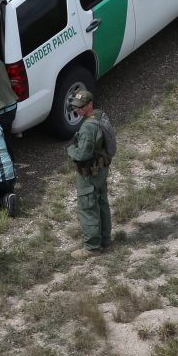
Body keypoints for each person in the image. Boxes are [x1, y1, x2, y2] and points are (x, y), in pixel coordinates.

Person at [66, 90, 114, 260]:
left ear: (90, 105)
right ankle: (106, 240)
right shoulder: (100, 116)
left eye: (81, 107)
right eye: (76, 107)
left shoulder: (87, 127)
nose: (77, 110)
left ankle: (92, 247)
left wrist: (71, 149)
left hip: (89, 173)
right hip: (101, 169)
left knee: (88, 207)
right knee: (102, 203)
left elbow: (82, 155)